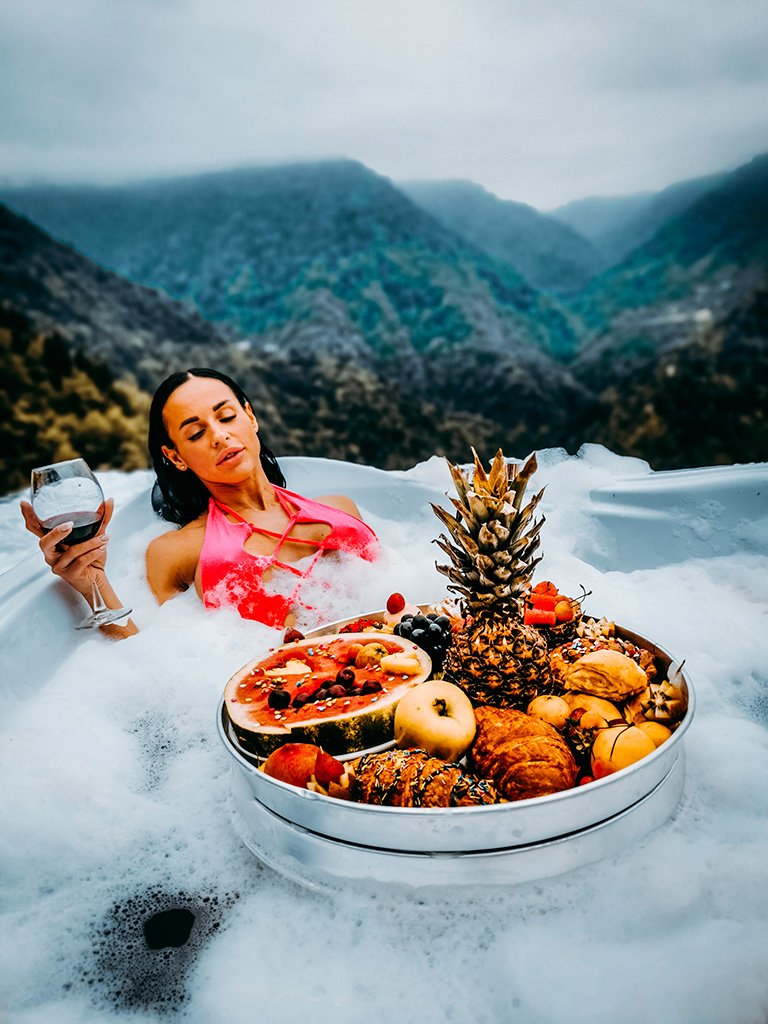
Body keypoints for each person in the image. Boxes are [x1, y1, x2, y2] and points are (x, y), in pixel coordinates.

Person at [21, 367, 379, 637]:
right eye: (196, 433)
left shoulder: (341, 508)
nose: (220, 435)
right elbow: (153, 663)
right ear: (175, 456)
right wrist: (93, 584)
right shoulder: (176, 551)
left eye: (227, 417)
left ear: (250, 417)